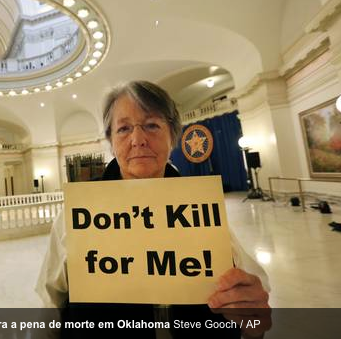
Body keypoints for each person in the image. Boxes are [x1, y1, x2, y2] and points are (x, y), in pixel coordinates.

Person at [36, 81, 270, 337]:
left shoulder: (201, 209)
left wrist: (251, 317)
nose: (138, 140)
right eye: (123, 128)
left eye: (151, 125)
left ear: (173, 136)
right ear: (111, 141)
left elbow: (251, 302)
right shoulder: (75, 214)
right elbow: (51, 305)